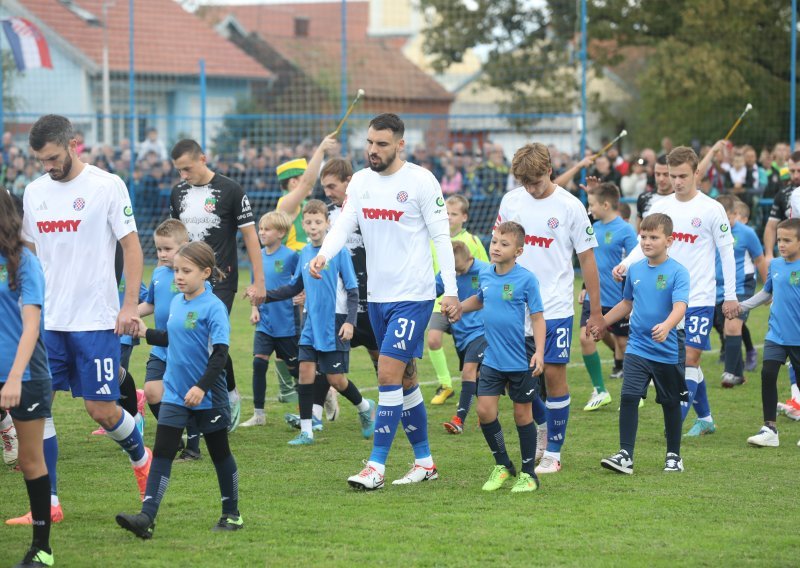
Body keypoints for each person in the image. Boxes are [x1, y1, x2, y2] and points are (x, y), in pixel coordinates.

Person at [310, 113, 461, 490]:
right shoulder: (360, 182)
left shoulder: (421, 181)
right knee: (407, 380)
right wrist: (324, 255)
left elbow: (442, 238)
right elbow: (343, 226)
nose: (373, 150)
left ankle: (375, 467)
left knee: (387, 374)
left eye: (381, 144)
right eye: (369, 143)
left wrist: (452, 290)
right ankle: (425, 461)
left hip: (414, 296)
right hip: (377, 298)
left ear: (400, 145)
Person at [16, 115, 151, 522]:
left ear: (73, 144)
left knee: (102, 411)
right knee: (39, 409)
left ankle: (141, 457)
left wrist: (129, 305)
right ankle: (50, 504)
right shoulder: (34, 192)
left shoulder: (106, 185)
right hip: (49, 323)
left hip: (95, 320)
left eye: (53, 158)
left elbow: (131, 247)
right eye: (41, 160)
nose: (47, 167)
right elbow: (28, 253)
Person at [116, 242, 242, 538]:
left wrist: (201, 387)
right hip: (174, 392)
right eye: (176, 271)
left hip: (209, 395)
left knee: (220, 453)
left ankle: (232, 514)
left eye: (186, 271)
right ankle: (147, 517)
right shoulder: (176, 303)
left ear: (206, 273)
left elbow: (220, 355)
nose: (179, 277)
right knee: (162, 452)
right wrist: (145, 332)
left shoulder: (214, 307)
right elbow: (173, 338)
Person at [495, 142, 606, 475]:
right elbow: (498, 250)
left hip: (555, 307)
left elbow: (587, 260)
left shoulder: (570, 207)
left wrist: (597, 312)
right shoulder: (511, 201)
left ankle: (553, 452)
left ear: (549, 171)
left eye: (536, 181)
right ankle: (543, 429)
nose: (530, 188)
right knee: (514, 380)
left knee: (555, 376)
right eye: (525, 182)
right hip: (514, 308)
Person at [614, 146, 738, 438]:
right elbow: (644, 241)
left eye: (683, 176)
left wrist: (730, 294)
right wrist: (626, 263)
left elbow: (727, 252)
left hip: (699, 298)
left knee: (690, 359)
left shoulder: (711, 208)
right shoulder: (662, 205)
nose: (678, 181)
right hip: (663, 300)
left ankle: (674, 428)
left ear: (696, 173)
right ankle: (705, 417)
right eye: (673, 176)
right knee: (683, 361)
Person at [169, 139, 267, 433]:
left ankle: (226, 399)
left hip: (220, 280)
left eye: (187, 168)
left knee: (213, 340)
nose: (183, 175)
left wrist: (258, 280)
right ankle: (212, 398)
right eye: (178, 170)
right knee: (192, 339)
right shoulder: (178, 193)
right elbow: (176, 237)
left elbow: (250, 237)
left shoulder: (231, 190)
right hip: (188, 279)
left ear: (203, 158)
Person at [265, 200, 375, 445]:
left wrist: (350, 322)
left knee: (336, 379)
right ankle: (307, 432)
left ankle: (365, 407)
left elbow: (353, 291)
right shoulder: (304, 252)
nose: (313, 227)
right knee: (305, 373)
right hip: (310, 323)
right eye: (308, 222)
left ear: (328, 224)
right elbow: (295, 287)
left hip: (335, 323)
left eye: (318, 222)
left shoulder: (338, 252)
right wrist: (266, 295)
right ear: (302, 225)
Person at [597, 213, 689, 474]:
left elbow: (680, 306)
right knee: (628, 396)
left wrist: (667, 325)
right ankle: (625, 455)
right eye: (644, 237)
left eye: (654, 237)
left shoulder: (678, 272)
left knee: (670, 402)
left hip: (667, 348)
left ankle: (674, 456)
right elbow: (627, 303)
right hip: (638, 346)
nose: (647, 242)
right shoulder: (635, 269)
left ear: (669, 241)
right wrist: (603, 323)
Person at [460, 222, 546, 492]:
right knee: (485, 411)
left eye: (504, 244)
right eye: (494, 241)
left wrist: (540, 353)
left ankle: (529, 473)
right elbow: (481, 298)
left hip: (521, 357)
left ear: (518, 251)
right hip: (493, 356)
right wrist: (459, 308)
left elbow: (538, 317)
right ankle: (503, 465)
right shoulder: (486, 273)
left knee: (522, 416)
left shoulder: (526, 279)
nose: (496, 247)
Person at [1, 189, 55, 567]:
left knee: (31, 461)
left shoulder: (24, 262)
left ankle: (41, 548)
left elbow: (31, 326)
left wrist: (14, 378)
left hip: (25, 377)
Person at [738, 218, 800, 447]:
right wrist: (742, 306)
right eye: (779, 240)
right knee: (768, 374)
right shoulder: (775, 265)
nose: (781, 245)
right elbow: (766, 293)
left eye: (787, 240)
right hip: (776, 334)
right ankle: (770, 429)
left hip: (798, 337)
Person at [579, 183, 638, 411]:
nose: (589, 208)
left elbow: (636, 259)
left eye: (592, 204)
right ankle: (600, 390)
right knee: (586, 338)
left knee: (623, 345)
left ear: (605, 204)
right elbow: (590, 262)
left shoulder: (625, 230)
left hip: (617, 299)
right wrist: (585, 285)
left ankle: (636, 390)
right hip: (594, 298)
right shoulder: (592, 227)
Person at [428, 194, 489, 405]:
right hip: (440, 301)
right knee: (433, 338)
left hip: (466, 306)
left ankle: (479, 390)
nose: (448, 217)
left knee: (470, 354)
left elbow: (486, 273)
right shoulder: (434, 239)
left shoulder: (472, 242)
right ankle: (445, 385)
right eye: (445, 213)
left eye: (453, 214)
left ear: (464, 217)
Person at [241, 211, 299, 428]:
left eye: (267, 229)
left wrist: (300, 299)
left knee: (296, 371)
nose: (261, 232)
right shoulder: (257, 257)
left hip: (287, 323)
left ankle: (316, 405)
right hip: (265, 321)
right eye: (261, 228)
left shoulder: (291, 256)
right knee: (258, 362)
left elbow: (299, 285)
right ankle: (259, 414)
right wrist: (254, 308)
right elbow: (256, 287)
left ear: (281, 233)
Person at [713, 196, 767, 387]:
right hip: (718, 288)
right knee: (728, 331)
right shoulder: (712, 231)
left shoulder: (746, 233)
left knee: (733, 327)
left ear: (733, 213)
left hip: (743, 286)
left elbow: (759, 259)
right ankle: (738, 375)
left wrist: (769, 288)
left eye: (725, 216)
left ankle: (728, 374)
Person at [437, 241, 489, 434]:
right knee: (482, 376)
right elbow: (431, 289)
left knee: (469, 371)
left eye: (460, 269)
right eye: (454, 270)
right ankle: (490, 413)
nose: (457, 274)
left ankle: (459, 420)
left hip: (483, 332)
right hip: (461, 335)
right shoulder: (449, 273)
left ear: (470, 259)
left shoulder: (485, 271)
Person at [733, 200, 760, 371]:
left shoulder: (748, 234)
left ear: (743, 218)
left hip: (745, 283)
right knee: (725, 321)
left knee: (737, 321)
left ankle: (749, 352)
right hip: (727, 284)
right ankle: (729, 354)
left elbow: (759, 259)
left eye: (734, 214)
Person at [636, 155, 672, 230]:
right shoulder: (643, 198)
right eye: (657, 174)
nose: (661, 179)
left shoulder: (680, 198)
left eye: (666, 174)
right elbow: (639, 231)